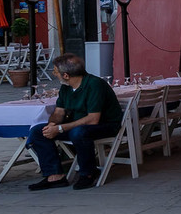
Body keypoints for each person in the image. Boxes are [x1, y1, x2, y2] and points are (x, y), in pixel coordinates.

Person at [27, 52, 125, 188]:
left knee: (78, 132)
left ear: (66, 75)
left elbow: (93, 119)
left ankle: (88, 173)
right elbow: (58, 111)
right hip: (79, 125)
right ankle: (55, 176)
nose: (54, 74)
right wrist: (52, 126)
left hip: (105, 125)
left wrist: (60, 128)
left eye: (56, 72)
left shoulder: (94, 85)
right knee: (38, 131)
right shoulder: (66, 87)